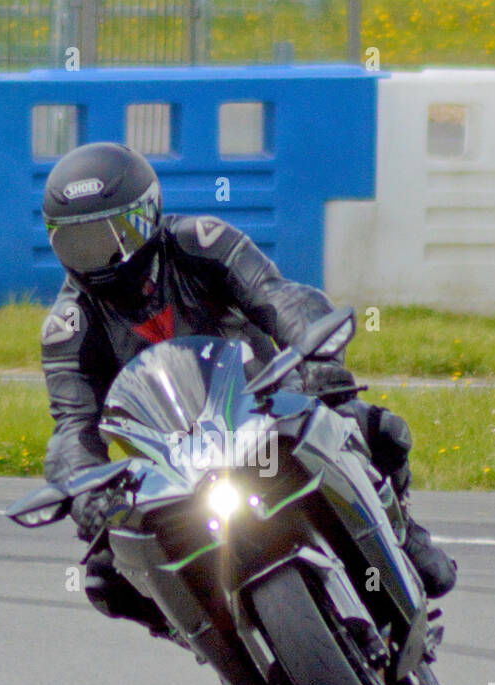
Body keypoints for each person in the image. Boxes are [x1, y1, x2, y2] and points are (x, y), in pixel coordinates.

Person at [38, 142, 457, 658]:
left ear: (147, 216)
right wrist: (85, 492)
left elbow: (278, 296)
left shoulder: (201, 242)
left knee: (374, 427)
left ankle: (402, 530)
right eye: (78, 244)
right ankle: (214, 649)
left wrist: (316, 359)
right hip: (173, 464)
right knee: (107, 575)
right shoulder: (68, 329)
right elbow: (72, 425)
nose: (100, 258)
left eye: (112, 237)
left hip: (264, 405)